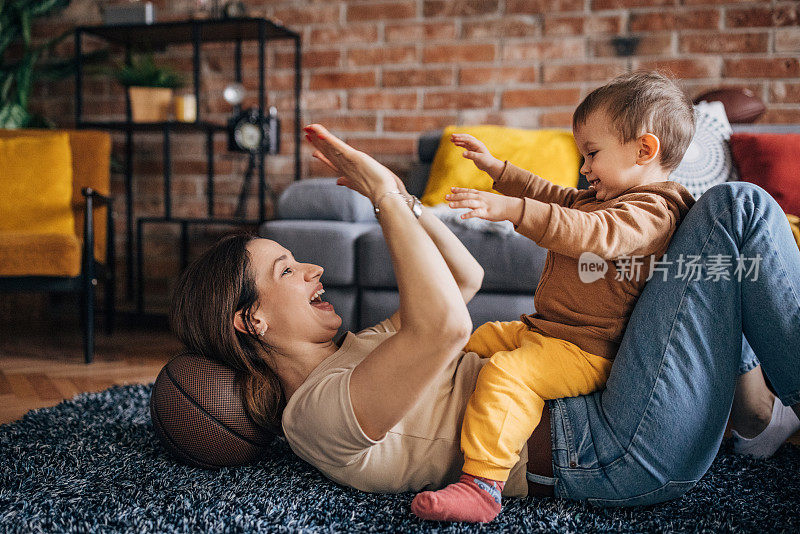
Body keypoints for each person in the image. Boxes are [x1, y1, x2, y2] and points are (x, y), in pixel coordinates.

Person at [169, 123, 800, 521]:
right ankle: (762, 405)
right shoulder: (314, 414)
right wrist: (385, 196)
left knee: (696, 242)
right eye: (286, 270)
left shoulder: (355, 351)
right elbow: (443, 326)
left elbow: (464, 281)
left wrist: (405, 200)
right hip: (611, 450)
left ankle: (754, 411)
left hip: (615, 411)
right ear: (250, 320)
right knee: (735, 209)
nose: (311, 269)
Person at [411, 71, 699, 522]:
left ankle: (483, 485)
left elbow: (595, 235)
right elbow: (554, 195)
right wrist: (498, 171)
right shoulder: (602, 197)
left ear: (645, 150)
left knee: (507, 374)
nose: (585, 168)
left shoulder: (650, 212)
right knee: (475, 340)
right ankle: (414, 411)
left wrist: (513, 212)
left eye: (592, 154)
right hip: (547, 332)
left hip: (586, 350)